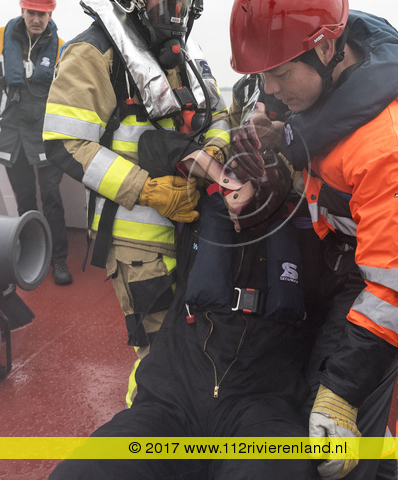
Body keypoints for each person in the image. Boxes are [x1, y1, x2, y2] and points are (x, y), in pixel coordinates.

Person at [229, 0, 398, 479]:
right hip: (344, 255)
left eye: (279, 75)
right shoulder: (328, 81)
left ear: (326, 49)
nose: (270, 91)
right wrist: (274, 139)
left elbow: (396, 289)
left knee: (328, 446)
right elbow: (315, 139)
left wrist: (341, 394)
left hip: (390, 283)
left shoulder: (389, 147)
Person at [48, 141, 320, 480]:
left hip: (260, 406)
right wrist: (215, 163)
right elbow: (152, 147)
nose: (248, 185)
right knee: (81, 472)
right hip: (170, 403)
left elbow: (342, 313)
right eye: (240, 173)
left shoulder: (313, 231)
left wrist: (335, 396)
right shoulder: (198, 215)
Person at [42, 0, 230, 404]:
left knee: (195, 335)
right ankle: (145, 425)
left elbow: (218, 117)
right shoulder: (93, 53)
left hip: (191, 224)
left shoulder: (185, 53)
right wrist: (147, 190)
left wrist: (213, 152)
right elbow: (65, 144)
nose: (177, 7)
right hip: (137, 238)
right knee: (156, 351)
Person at [0, 0, 72, 286]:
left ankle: (59, 260)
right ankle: (31, 253)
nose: (36, 19)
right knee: (25, 200)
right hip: (12, 138)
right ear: (22, 10)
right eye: (31, 13)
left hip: (47, 137)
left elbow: (71, 95)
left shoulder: (62, 48)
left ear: (51, 14)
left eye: (42, 14)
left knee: (52, 198)